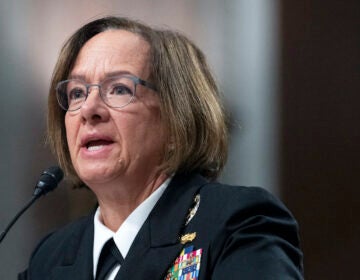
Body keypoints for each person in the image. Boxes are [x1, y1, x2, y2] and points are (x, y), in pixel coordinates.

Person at [19, 16, 303, 279]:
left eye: (119, 89)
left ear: (176, 117)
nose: (89, 109)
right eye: (77, 93)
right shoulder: (50, 257)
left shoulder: (237, 223)